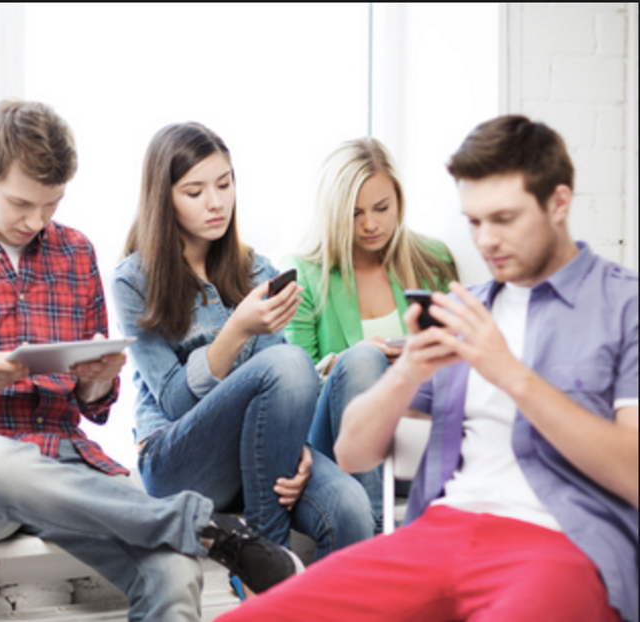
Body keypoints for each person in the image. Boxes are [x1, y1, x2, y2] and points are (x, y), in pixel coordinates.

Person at [0, 101, 305, 622]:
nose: (35, 221)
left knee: (173, 569)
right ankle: (202, 526)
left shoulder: (74, 252)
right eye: (21, 203)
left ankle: (192, 533)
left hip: (63, 465)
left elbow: (94, 408)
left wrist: (96, 382)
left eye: (51, 204)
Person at [214, 115, 639, 622]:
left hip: (562, 540)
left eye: (504, 219)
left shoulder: (623, 306)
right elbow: (351, 453)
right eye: (474, 222)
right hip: (439, 534)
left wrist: (509, 373)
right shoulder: (463, 308)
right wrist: (408, 369)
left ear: (559, 203)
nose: (486, 240)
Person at [111, 122, 374, 572]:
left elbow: (286, 393)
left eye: (224, 183)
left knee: (350, 506)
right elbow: (174, 401)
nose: (216, 202)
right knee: (287, 361)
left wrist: (296, 449)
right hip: (178, 463)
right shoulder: (133, 281)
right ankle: (266, 565)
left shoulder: (258, 271)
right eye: (194, 191)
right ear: (163, 198)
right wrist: (237, 329)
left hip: (258, 454)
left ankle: (311, 594)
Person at [282, 137, 458, 530]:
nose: (371, 224)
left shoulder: (432, 261)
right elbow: (293, 387)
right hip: (341, 443)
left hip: (415, 431)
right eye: (355, 213)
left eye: (382, 208)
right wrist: (345, 363)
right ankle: (377, 536)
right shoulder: (305, 274)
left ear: (399, 201)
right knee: (362, 360)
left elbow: (458, 361)